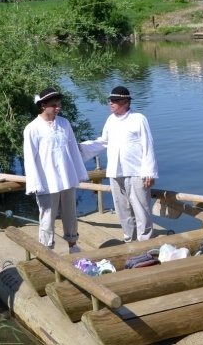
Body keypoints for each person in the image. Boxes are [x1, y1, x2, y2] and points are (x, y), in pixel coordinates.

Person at [80, 85, 158, 242]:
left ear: (125, 102)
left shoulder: (139, 119)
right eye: (110, 100)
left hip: (136, 172)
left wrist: (149, 171)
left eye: (114, 100)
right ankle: (129, 240)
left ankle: (145, 241)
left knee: (141, 210)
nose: (111, 103)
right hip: (115, 172)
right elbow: (103, 142)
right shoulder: (110, 120)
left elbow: (148, 145)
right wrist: (81, 148)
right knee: (122, 209)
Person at [23, 88, 89, 253]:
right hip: (46, 182)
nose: (57, 108)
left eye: (59, 104)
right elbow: (29, 158)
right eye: (53, 105)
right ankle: (47, 250)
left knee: (70, 214)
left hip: (66, 177)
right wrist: (33, 184)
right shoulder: (33, 128)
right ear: (43, 105)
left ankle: (73, 245)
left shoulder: (64, 123)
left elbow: (72, 148)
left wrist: (79, 174)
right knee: (47, 216)